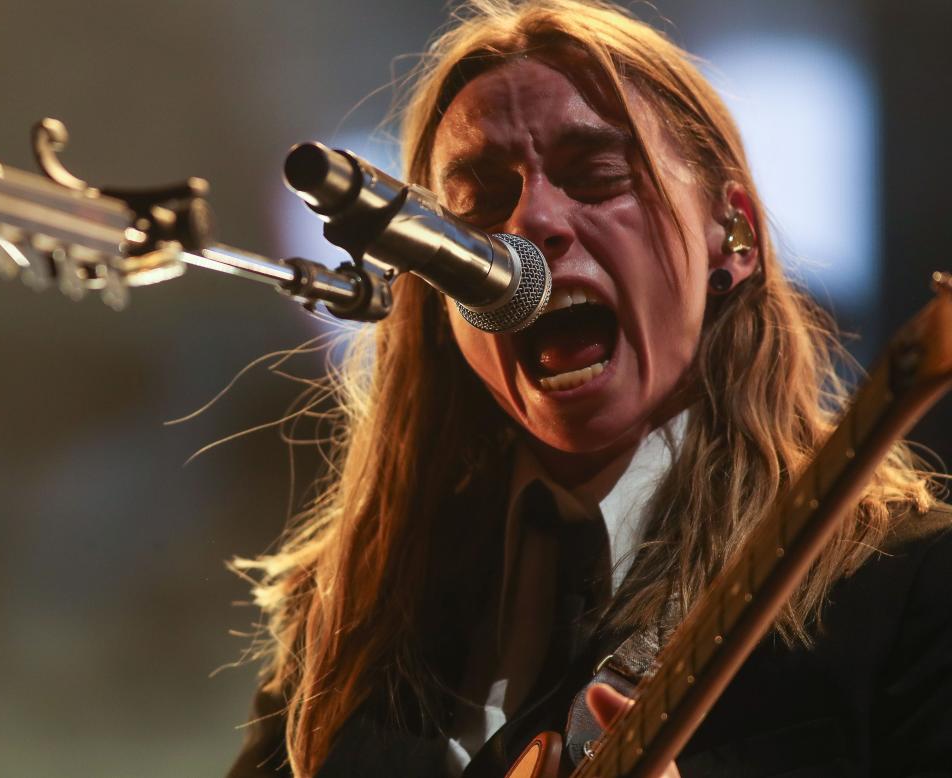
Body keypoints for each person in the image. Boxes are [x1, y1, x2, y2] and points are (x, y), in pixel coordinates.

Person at [227, 1, 951, 776]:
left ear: (732, 234)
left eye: (598, 178)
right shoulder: (351, 614)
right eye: (476, 208)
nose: (532, 220)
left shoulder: (907, 586)